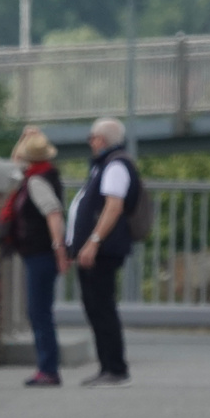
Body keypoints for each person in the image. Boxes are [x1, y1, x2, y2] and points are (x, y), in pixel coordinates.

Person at [65, 117, 140, 387]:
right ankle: (107, 365)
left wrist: (93, 241)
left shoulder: (115, 165)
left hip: (102, 250)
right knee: (95, 307)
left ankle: (115, 368)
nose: (90, 142)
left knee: (102, 306)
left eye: (92, 137)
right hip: (95, 249)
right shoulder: (104, 165)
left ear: (102, 139)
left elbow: (113, 206)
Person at [2, 126, 68, 386]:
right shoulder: (40, 174)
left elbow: (53, 213)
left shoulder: (37, 181)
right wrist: (24, 140)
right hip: (38, 253)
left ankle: (48, 368)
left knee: (39, 312)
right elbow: (15, 162)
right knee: (39, 311)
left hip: (41, 253)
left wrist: (58, 248)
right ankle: (47, 367)